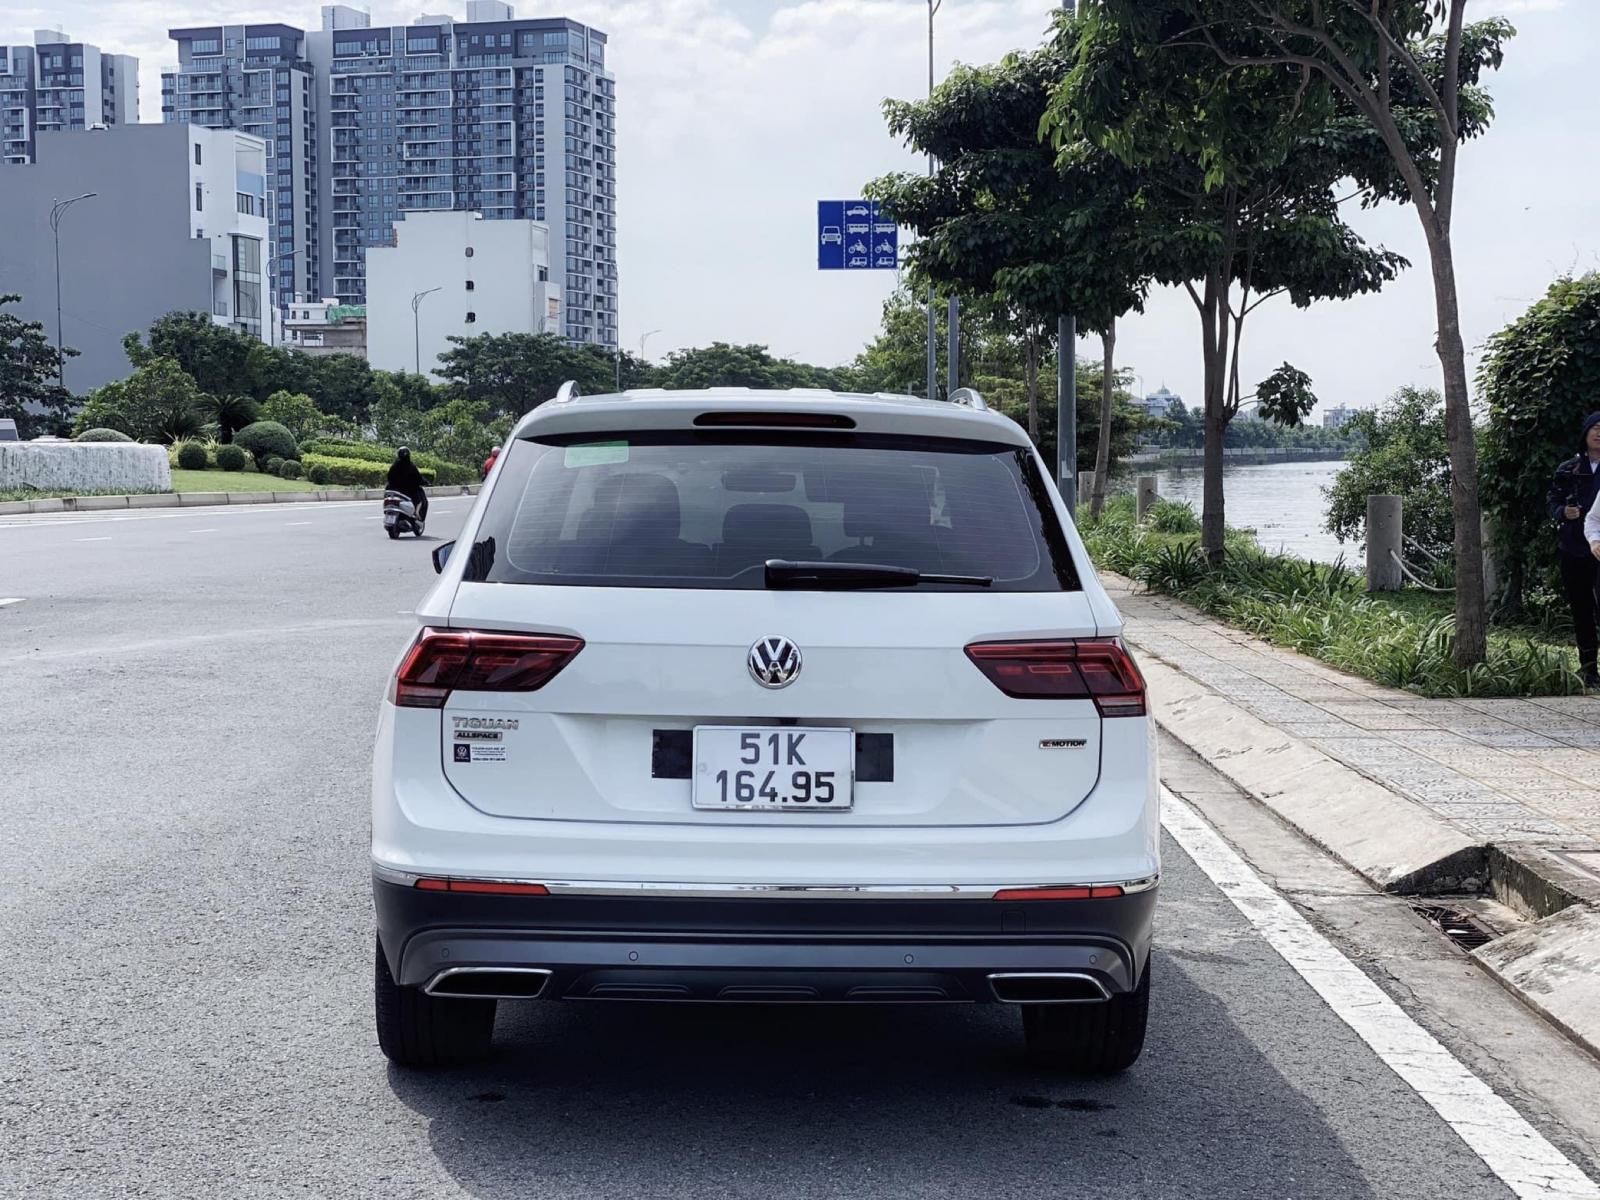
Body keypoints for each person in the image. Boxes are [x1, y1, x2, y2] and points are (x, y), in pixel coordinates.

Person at [1552, 412, 1600, 688]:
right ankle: (1589, 670)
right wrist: (1562, 512)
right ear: (1585, 433)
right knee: (1581, 610)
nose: (1599, 433)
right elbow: (1552, 499)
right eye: (1595, 428)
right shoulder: (1568, 468)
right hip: (1574, 546)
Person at [386, 446, 429, 524]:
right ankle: (417, 514)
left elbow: (389, 477)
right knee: (420, 499)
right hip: (408, 491)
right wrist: (425, 482)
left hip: (394, 491)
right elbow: (418, 478)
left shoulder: (394, 466)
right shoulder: (411, 466)